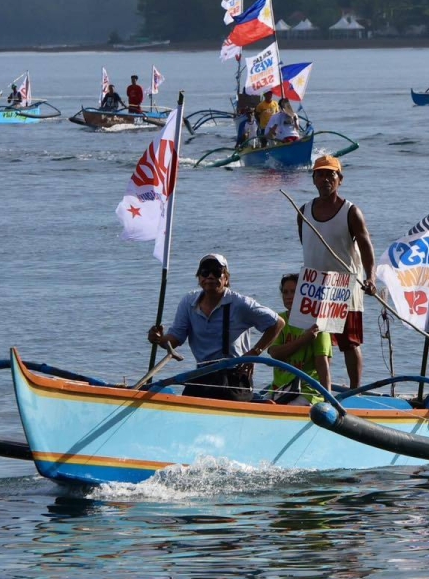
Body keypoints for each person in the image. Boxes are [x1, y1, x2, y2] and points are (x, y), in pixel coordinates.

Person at [147, 253, 284, 402]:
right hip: (203, 374)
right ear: (199, 278)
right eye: (205, 272)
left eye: (217, 272)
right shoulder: (188, 303)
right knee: (186, 402)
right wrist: (159, 339)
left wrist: (254, 352)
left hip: (234, 375)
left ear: (226, 278)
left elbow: (277, 323)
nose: (210, 276)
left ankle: (258, 404)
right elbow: (174, 340)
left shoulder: (241, 304)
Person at [297, 154, 376, 390]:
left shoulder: (351, 212)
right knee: (316, 341)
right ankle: (321, 390)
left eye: (330, 174)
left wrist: (370, 278)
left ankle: (354, 391)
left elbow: (365, 247)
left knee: (349, 343)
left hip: (345, 285)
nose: (325, 179)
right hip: (314, 286)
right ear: (313, 180)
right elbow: (307, 245)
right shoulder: (303, 211)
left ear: (340, 179)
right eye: (320, 174)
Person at [266, 272, 333, 405]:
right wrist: (304, 339)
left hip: (307, 391)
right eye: (285, 292)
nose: (289, 297)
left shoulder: (317, 323)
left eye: (294, 292)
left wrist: (328, 399)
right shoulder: (279, 320)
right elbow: (275, 353)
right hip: (279, 388)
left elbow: (323, 364)